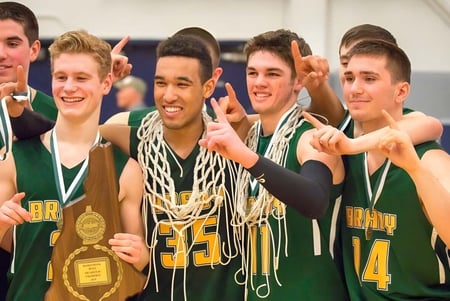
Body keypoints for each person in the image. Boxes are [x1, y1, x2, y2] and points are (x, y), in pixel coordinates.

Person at [201, 29, 349, 300]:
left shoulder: (313, 138)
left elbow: (315, 201)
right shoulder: (251, 138)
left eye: (272, 74)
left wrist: (244, 155)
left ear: (298, 82)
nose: (259, 82)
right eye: (252, 72)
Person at [0, 30, 147, 301]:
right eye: (61, 77)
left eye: (81, 78)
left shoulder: (126, 169)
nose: (69, 87)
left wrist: (141, 254)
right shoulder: (14, 159)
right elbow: (8, 242)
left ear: (106, 83)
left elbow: (139, 262)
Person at [100, 34, 243, 301]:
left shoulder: (235, 139)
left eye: (182, 84)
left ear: (208, 87)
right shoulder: (132, 139)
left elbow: (297, 122)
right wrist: (101, 78)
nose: (168, 95)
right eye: (160, 83)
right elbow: (64, 135)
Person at [306, 39, 450, 300]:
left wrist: (416, 172)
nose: (354, 88)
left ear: (401, 91)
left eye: (369, 79)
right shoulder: (342, 150)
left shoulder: (430, 158)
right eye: (349, 78)